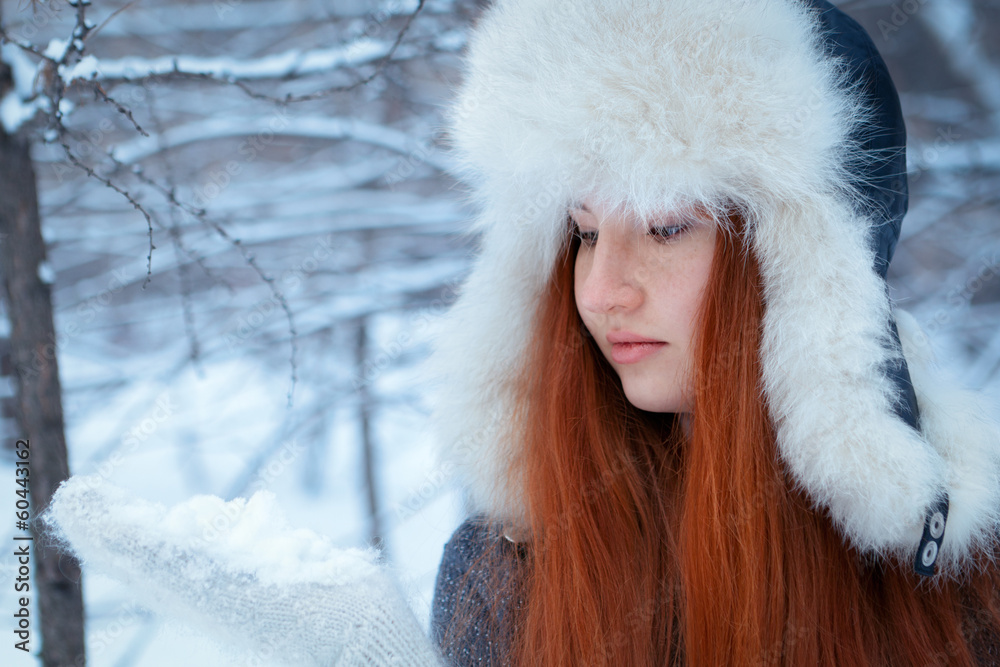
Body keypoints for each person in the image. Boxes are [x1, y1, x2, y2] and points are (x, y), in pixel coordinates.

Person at [423, 0, 1000, 665]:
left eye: (664, 226)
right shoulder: (501, 578)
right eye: (584, 232)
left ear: (806, 272)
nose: (601, 290)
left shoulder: (963, 583)